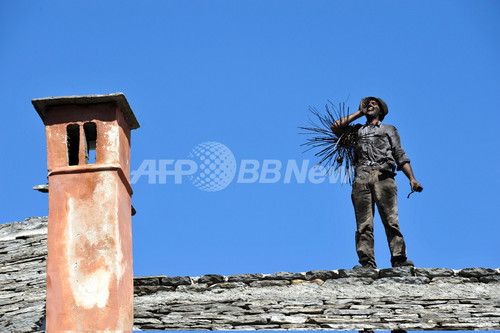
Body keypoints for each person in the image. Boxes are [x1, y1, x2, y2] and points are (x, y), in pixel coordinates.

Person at [331, 97, 422, 269]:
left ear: (381, 110)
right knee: (363, 223)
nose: (370, 105)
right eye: (368, 104)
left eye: (374, 104)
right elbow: (335, 127)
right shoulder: (356, 131)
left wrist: (412, 178)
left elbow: (400, 155)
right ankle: (367, 263)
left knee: (390, 220)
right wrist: (359, 112)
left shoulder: (389, 129)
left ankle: (398, 259)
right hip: (362, 175)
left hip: (383, 174)